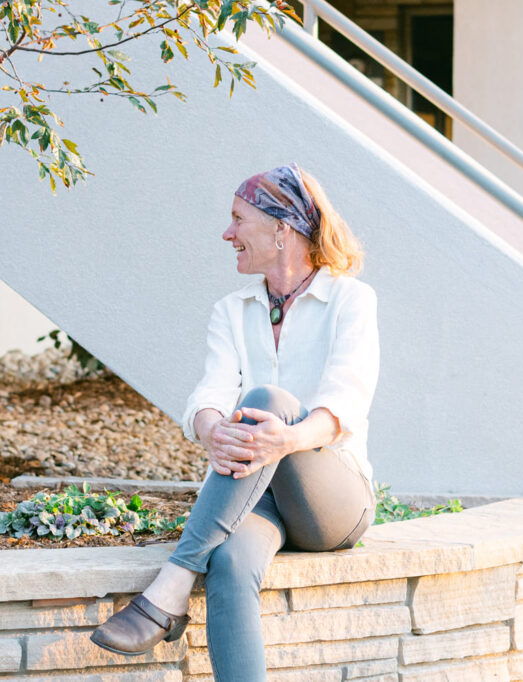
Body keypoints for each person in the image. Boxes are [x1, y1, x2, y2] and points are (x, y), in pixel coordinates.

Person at [90, 163, 379, 681]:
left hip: (331, 500)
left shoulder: (351, 300)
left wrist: (284, 438)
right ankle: (184, 590)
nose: (227, 234)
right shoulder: (231, 310)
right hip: (255, 497)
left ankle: (172, 584)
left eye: (237, 220)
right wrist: (211, 430)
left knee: (268, 399)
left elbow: (344, 407)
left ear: (281, 229)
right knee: (228, 563)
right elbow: (209, 395)